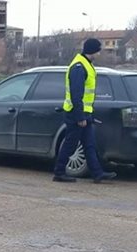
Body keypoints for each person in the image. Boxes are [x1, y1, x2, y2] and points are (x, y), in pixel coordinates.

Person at [52, 38, 117, 184]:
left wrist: (87, 115)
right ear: (92, 51)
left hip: (84, 113)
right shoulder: (79, 67)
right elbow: (76, 95)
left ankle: (97, 173)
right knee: (71, 144)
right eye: (98, 50)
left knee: (89, 144)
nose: (99, 53)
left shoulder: (86, 64)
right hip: (76, 114)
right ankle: (59, 172)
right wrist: (80, 116)